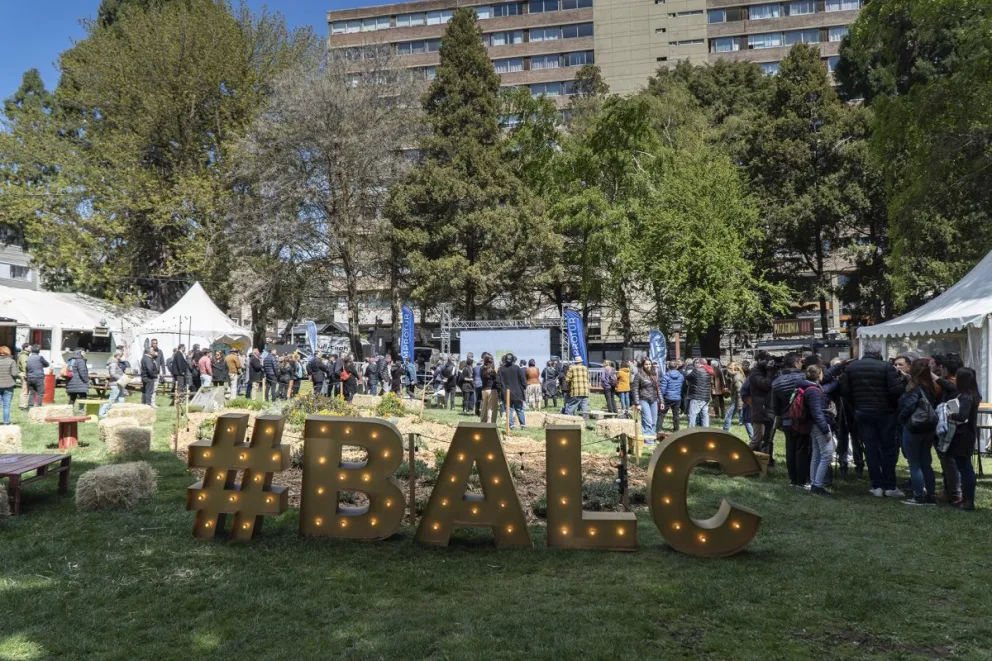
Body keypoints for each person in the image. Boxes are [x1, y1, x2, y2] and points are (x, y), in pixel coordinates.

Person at [841, 349, 905, 498]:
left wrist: (856, 404)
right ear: (878, 354)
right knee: (888, 448)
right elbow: (896, 391)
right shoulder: (886, 367)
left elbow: (845, 390)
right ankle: (889, 485)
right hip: (886, 413)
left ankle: (876, 485)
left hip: (863, 412)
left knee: (870, 449)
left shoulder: (851, 368)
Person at [896, 358, 939, 506]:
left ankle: (918, 496)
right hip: (928, 428)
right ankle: (931, 495)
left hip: (913, 427)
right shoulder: (932, 387)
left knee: (914, 463)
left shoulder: (914, 388)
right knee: (926, 462)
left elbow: (908, 407)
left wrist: (901, 420)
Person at [771, 353, 809, 487]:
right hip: (802, 418)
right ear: (796, 363)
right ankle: (802, 480)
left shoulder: (777, 381)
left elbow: (775, 406)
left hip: (786, 419)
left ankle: (793, 479)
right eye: (800, 362)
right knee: (803, 449)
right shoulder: (803, 377)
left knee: (790, 449)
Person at [947, 367, 980, 511]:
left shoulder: (966, 397)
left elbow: (962, 416)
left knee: (965, 469)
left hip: (963, 436)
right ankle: (967, 499)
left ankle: (968, 501)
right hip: (967, 436)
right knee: (965, 468)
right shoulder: (972, 395)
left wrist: (950, 414)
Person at [804, 364, 837, 496]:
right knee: (827, 454)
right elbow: (817, 413)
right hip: (820, 424)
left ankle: (814, 483)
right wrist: (825, 430)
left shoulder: (808, 387)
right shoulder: (814, 390)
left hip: (813, 425)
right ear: (820, 374)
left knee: (817, 454)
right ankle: (818, 485)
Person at [934, 355, 962, 505]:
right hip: (949, 425)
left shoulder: (954, 384)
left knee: (949, 461)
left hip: (952, 427)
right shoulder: (960, 383)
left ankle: (955, 493)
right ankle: (949, 491)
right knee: (947, 461)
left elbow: (946, 385)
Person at [631, 358, 660, 441]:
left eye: (649, 364)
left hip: (654, 399)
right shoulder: (639, 375)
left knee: (654, 421)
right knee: (648, 420)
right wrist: (637, 403)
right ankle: (648, 440)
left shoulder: (654, 374)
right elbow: (635, 389)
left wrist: (661, 401)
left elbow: (658, 388)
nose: (648, 366)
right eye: (646, 364)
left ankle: (652, 437)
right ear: (643, 365)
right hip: (643, 399)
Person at [498, 353, 528, 429]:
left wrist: (501, 390)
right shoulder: (517, 368)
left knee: (509, 410)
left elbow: (498, 382)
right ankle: (523, 425)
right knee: (519, 409)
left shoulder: (501, 369)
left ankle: (511, 425)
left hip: (506, 393)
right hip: (517, 392)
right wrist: (524, 387)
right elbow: (523, 380)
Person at [99, 351, 126, 418]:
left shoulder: (116, 363)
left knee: (121, 398)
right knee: (112, 399)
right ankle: (102, 413)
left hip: (119, 383)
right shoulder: (113, 364)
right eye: (121, 356)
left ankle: (119, 413)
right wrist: (122, 377)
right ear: (117, 356)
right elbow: (113, 374)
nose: (122, 357)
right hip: (115, 384)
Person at [686, 359, 713, 428]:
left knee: (692, 414)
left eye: (697, 363)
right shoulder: (709, 371)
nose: (696, 364)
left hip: (697, 395)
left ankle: (690, 431)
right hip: (706, 396)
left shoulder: (697, 370)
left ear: (700, 363)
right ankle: (706, 429)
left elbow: (688, 377)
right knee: (704, 414)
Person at [564, 356, 590, 425]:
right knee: (584, 408)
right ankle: (585, 423)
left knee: (571, 407)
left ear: (575, 362)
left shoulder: (572, 368)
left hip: (576, 391)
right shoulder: (585, 368)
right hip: (585, 391)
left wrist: (569, 387)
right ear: (581, 362)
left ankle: (567, 421)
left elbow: (567, 379)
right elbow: (588, 378)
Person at [660, 360, 684, 432]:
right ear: (676, 366)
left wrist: (662, 397)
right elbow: (682, 386)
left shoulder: (666, 376)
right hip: (677, 397)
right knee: (676, 414)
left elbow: (663, 388)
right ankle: (676, 429)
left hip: (668, 397)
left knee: (662, 413)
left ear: (668, 366)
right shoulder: (681, 376)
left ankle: (658, 428)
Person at [723, 363, 746, 431]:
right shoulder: (737, 375)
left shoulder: (736, 378)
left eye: (728, 370)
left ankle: (725, 430)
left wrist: (739, 404)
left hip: (737, 400)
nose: (728, 372)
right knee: (730, 416)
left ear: (731, 369)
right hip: (737, 399)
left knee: (728, 416)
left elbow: (739, 391)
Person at [0, 346, 19, 425]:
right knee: (6, 405)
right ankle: (6, 422)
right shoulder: (11, 361)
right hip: (8, 386)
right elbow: (14, 374)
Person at [25, 345, 48, 409]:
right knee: (40, 393)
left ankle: (30, 406)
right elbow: (47, 364)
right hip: (39, 377)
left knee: (32, 393)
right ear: (39, 351)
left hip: (30, 377)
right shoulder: (40, 358)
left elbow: (26, 368)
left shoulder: (28, 358)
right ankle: (39, 406)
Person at [479, 354, 500, 423]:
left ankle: (482, 421)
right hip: (492, 389)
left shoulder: (481, 368)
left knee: (484, 407)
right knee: (491, 407)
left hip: (484, 389)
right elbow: (496, 379)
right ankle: (490, 422)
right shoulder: (492, 370)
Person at [17, 342, 30, 411]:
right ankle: (22, 406)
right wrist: (26, 375)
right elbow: (25, 367)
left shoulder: (24, 355)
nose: (31, 348)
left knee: (25, 390)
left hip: (23, 374)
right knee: (25, 391)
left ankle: (23, 405)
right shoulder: (24, 356)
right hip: (24, 375)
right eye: (29, 347)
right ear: (25, 348)